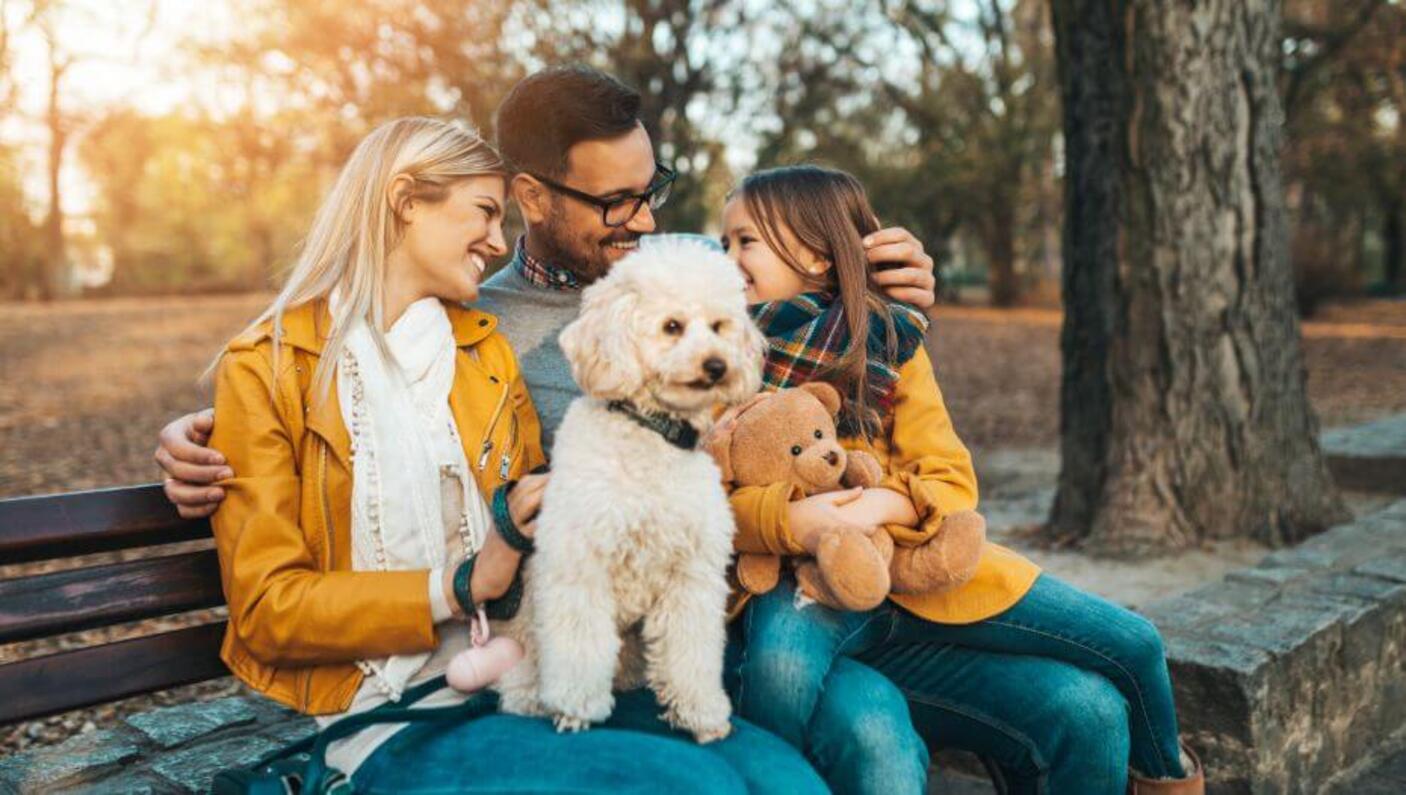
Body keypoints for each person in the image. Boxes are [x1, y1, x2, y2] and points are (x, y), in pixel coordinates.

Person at [159, 66, 939, 794]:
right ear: (407, 202)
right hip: (395, 704)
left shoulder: (486, 347)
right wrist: (204, 435)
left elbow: (814, 306)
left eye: (651, 189)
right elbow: (268, 602)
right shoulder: (298, 362)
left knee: (784, 778)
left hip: (562, 650)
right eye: (483, 215)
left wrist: (878, 286)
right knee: (706, 785)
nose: (648, 218)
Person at [719, 164, 1205, 795]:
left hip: (921, 584)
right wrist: (797, 522)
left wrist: (873, 507)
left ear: (814, 252)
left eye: (743, 241)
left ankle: (1170, 784)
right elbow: (705, 489)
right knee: (782, 670)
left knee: (1119, 666)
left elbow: (950, 482)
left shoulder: (891, 344)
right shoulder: (716, 349)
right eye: (722, 241)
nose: (725, 257)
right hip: (807, 591)